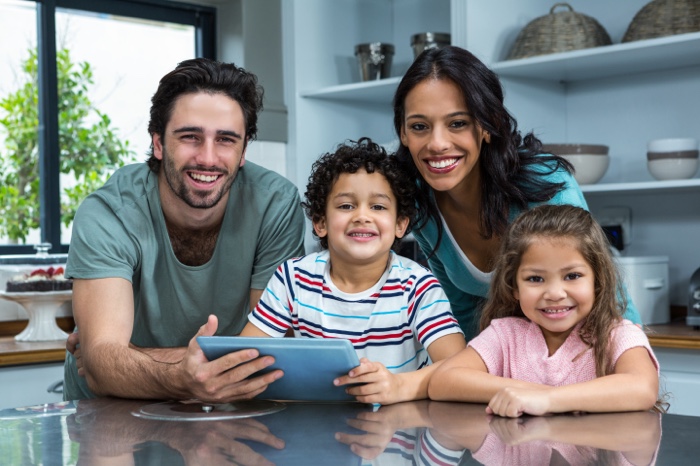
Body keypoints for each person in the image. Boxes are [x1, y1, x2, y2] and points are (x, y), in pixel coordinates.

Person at [63, 58, 306, 402]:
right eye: (191, 137)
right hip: (110, 415)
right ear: (159, 144)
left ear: (242, 152)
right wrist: (171, 373)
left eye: (225, 139)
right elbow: (103, 369)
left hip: (227, 410)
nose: (207, 158)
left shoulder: (274, 205)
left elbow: (269, 351)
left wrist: (132, 356)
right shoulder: (108, 212)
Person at [392, 45, 641, 340]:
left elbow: (601, 297)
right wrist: (470, 377)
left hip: (592, 353)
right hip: (509, 363)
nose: (437, 143)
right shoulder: (420, 202)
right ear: (404, 134)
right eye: (419, 126)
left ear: (487, 125)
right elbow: (461, 311)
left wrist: (624, 371)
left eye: (457, 123)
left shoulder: (542, 183)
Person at [239, 137, 466, 405]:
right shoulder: (293, 279)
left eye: (378, 207)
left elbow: (460, 368)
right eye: (346, 206)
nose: (362, 216)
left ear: (400, 225)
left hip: (402, 430)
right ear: (320, 222)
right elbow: (246, 358)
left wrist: (397, 386)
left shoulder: (418, 287)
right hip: (318, 430)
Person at [428, 205, 663, 417]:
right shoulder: (505, 335)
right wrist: (531, 392)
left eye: (572, 276)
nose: (554, 293)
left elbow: (642, 387)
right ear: (514, 287)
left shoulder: (618, 334)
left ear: (597, 281)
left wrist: (548, 399)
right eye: (535, 278)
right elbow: (443, 381)